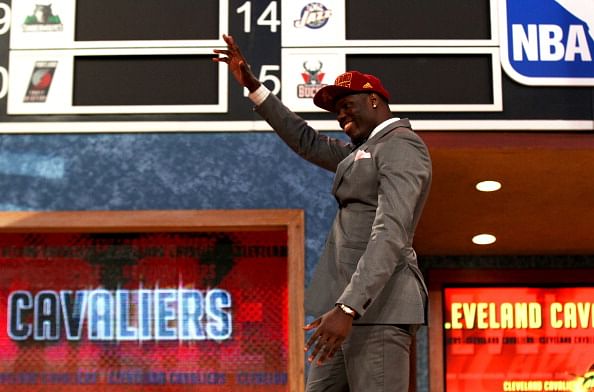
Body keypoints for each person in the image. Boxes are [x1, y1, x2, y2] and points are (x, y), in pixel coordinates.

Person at [213, 34, 432, 392]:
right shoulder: (363, 151)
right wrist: (255, 88)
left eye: (348, 104)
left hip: (377, 310)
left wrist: (349, 308)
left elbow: (390, 231)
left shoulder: (401, 145)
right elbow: (307, 140)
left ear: (374, 100)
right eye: (337, 109)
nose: (341, 114)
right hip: (344, 310)